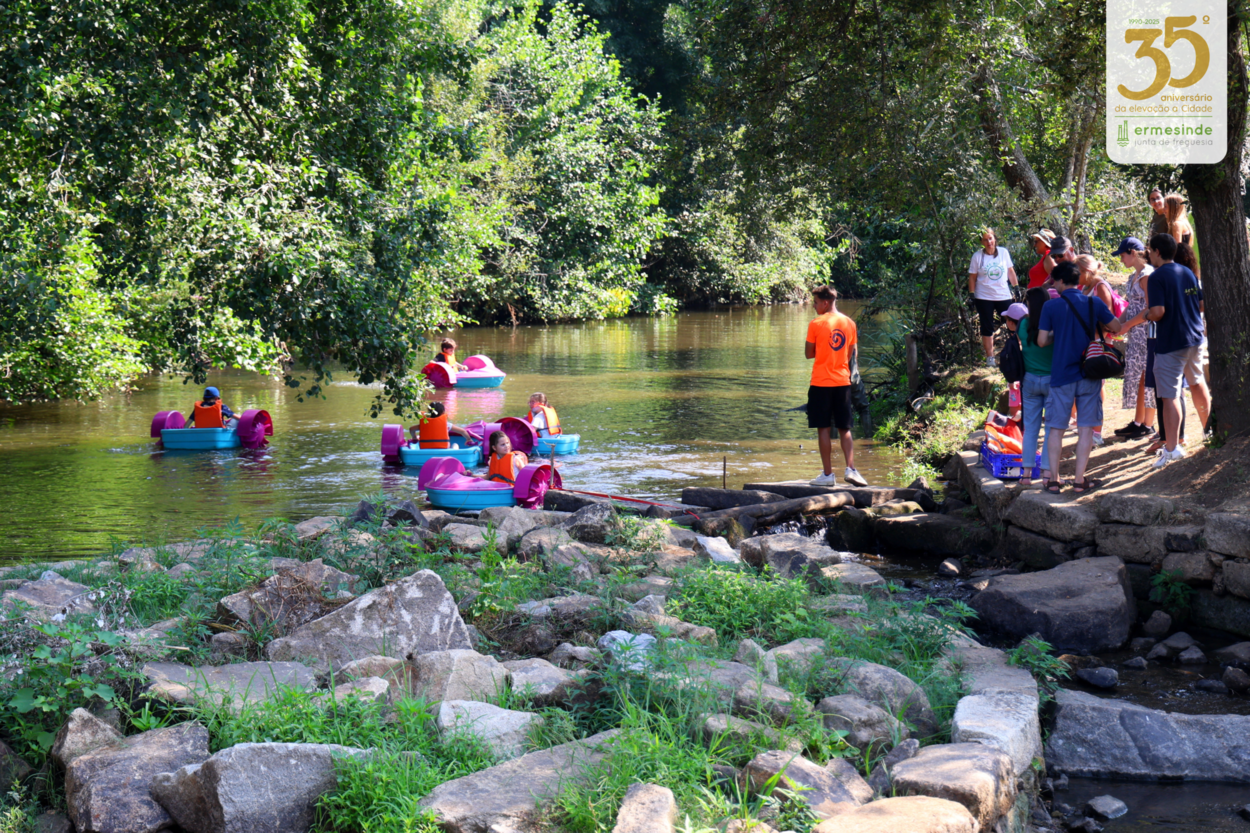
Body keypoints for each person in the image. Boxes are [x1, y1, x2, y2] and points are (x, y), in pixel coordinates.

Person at [1037, 262, 1124, 493]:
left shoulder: (1050, 306)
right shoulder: (1093, 302)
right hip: (1089, 372)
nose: (1053, 285)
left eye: (1054, 281)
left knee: (1056, 429)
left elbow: (1042, 341)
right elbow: (1116, 326)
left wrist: (1059, 333)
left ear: (1061, 281)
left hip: (1062, 375)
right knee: (1086, 429)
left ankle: (1054, 481)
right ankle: (1078, 481)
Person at [1145, 233, 1209, 468]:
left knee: (1169, 396)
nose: (1149, 254)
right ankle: (1209, 432)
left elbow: (1158, 312)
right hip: (1195, 338)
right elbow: (1201, 304)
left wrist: (1147, 315)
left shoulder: (1156, 276)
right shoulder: (1188, 272)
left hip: (1171, 342)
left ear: (1157, 252)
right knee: (1198, 383)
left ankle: (1172, 449)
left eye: (1150, 250)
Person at [805, 285, 868, 487]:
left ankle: (827, 475)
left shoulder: (816, 323)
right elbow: (851, 354)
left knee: (823, 428)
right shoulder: (849, 323)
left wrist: (823, 349)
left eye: (815, 302)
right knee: (844, 427)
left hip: (821, 382)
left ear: (825, 303)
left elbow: (808, 353)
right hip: (842, 382)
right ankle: (851, 469)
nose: (814, 306)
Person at [1109, 237, 1155, 439]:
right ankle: (1139, 422)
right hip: (1136, 335)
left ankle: (1148, 424)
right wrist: (1117, 325)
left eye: (1122, 255)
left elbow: (1150, 308)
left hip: (1146, 333)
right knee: (1139, 378)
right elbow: (1130, 307)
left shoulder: (1147, 275)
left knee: (1147, 378)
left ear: (1133, 253)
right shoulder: (1134, 276)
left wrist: (1126, 325)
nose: (1121, 260)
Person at [1017, 290, 1054, 488]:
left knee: (1030, 429)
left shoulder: (1023, 324)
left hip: (1029, 380)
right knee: (1050, 429)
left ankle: (1026, 475)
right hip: (1052, 380)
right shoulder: (1053, 325)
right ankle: (1047, 474)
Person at [968, 228, 1019, 365]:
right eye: (985, 240)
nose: (989, 242)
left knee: (1012, 323)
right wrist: (971, 295)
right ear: (982, 242)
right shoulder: (977, 256)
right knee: (987, 326)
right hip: (984, 296)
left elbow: (1010, 271)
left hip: (1003, 295)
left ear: (995, 238)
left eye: (990, 238)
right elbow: (972, 277)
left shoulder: (1003, 252)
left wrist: (1016, 287)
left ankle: (1016, 352)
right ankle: (990, 358)